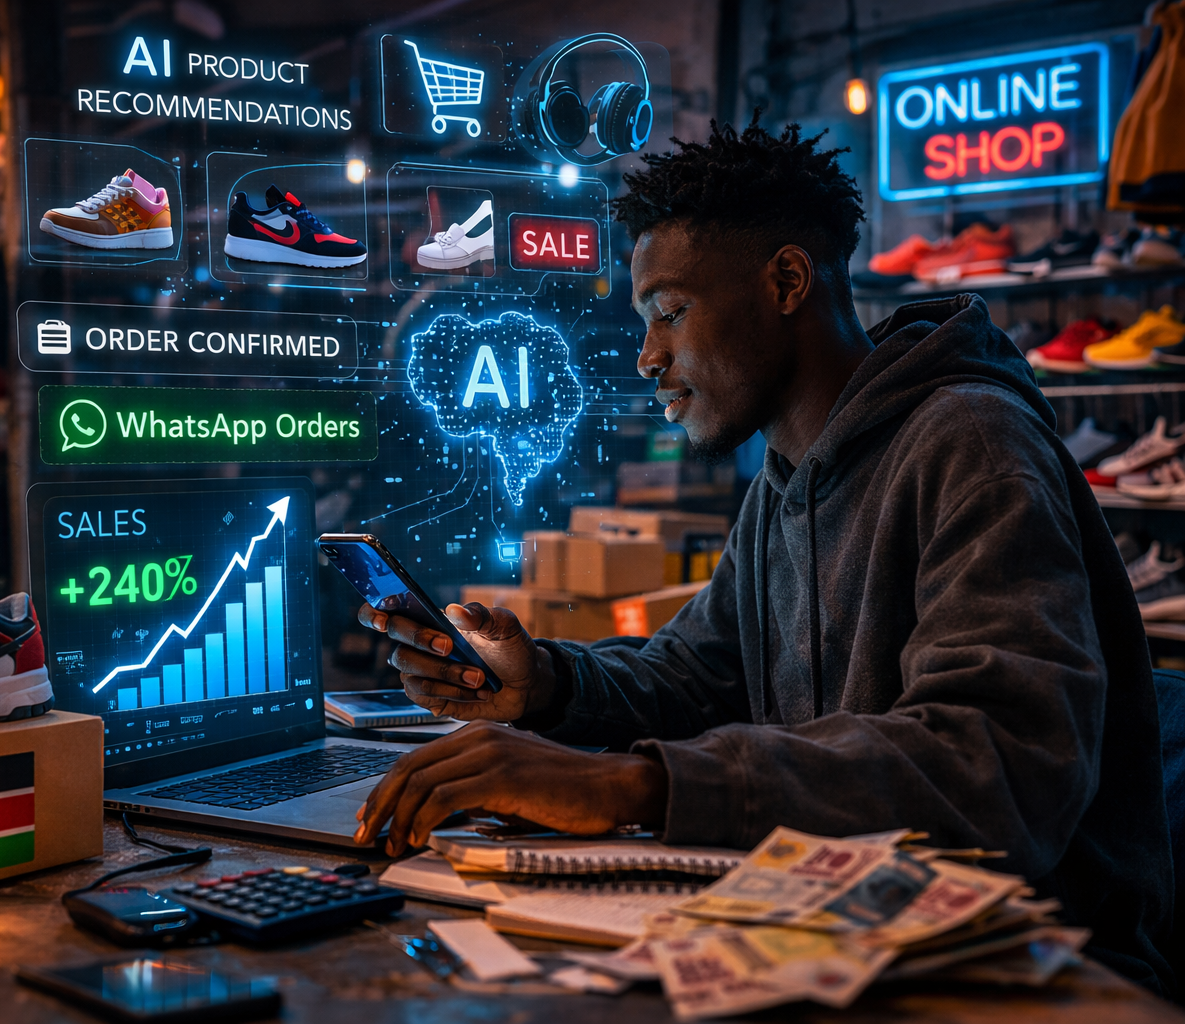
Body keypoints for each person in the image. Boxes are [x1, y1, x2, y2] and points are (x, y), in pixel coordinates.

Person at [354, 117, 1173, 992]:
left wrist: (634, 788)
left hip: (1030, 972)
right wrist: (544, 684)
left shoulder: (970, 439)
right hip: (850, 936)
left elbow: (995, 765)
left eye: (669, 313)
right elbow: (700, 674)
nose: (647, 357)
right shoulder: (787, 480)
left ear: (787, 279)